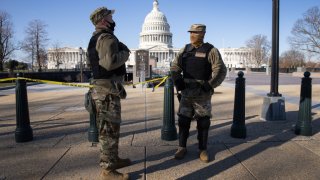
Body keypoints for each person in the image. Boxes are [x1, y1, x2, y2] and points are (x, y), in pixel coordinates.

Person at [170, 24, 227, 163]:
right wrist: (177, 80)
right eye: (190, 32)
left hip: (202, 94)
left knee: (203, 122)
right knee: (183, 120)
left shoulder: (211, 50)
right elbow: (175, 66)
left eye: (195, 32)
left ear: (202, 34)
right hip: (186, 93)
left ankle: (202, 149)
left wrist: (210, 85)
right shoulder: (185, 49)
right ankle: (181, 147)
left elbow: (220, 70)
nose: (191, 35)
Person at [87, 7, 131, 180]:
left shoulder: (95, 38)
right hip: (106, 91)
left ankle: (113, 160)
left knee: (111, 128)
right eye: (110, 16)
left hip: (104, 89)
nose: (113, 19)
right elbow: (109, 63)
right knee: (108, 131)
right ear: (104, 20)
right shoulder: (105, 37)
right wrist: (125, 53)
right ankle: (108, 170)